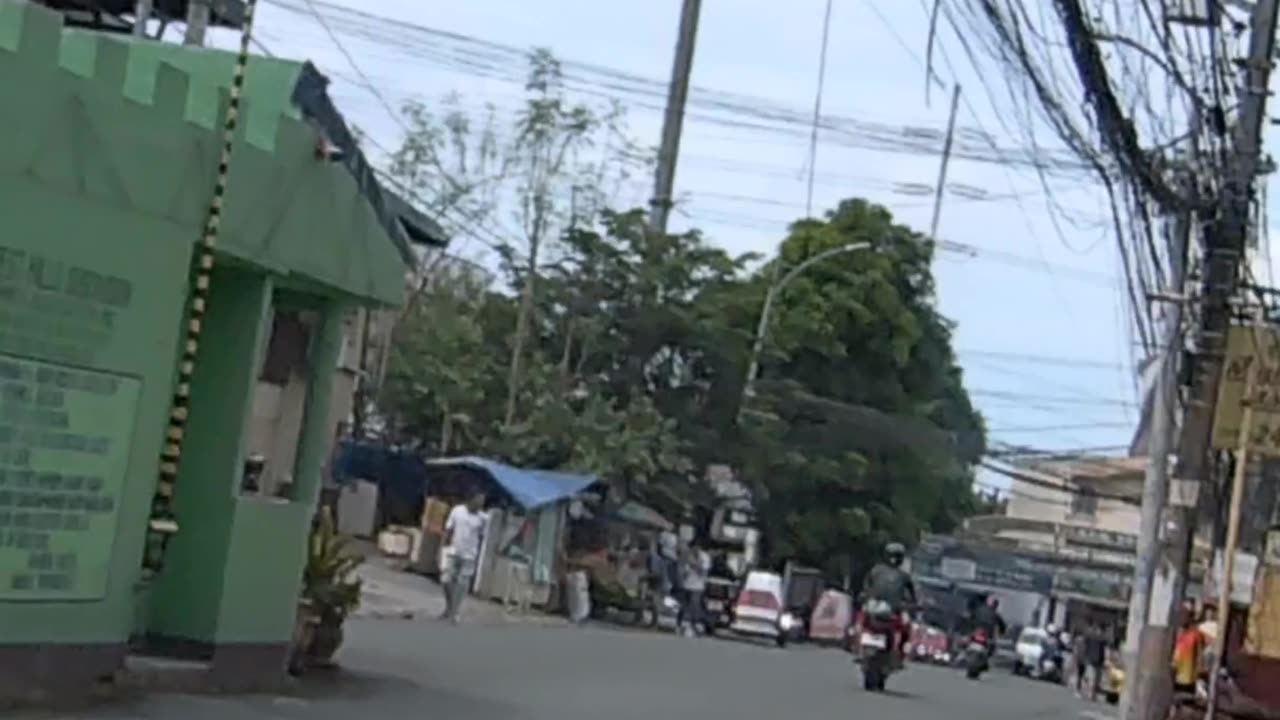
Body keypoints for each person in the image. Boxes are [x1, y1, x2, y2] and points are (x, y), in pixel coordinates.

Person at [863, 542, 918, 656]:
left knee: (905, 626)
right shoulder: (880, 571)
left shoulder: (877, 570)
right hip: (884, 608)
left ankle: (899, 651)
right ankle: (900, 651)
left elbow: (867, 585)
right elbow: (867, 585)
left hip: (888, 608)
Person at [440, 492, 487, 623]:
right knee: (446, 580)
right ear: (470, 500)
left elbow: (482, 537)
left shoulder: (483, 518)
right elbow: (449, 529)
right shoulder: (457, 511)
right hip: (454, 550)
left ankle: (455, 612)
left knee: (462, 583)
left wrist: (478, 557)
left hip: (469, 555)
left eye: (482, 502)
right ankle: (449, 606)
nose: (480, 504)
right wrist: (443, 547)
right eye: (478, 501)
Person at [677, 539, 711, 636]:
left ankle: (694, 625)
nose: (695, 549)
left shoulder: (704, 557)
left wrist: (694, 564)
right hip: (686, 584)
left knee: (694, 605)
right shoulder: (687, 556)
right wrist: (683, 574)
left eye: (697, 548)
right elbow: (681, 570)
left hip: (698, 586)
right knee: (684, 605)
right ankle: (680, 624)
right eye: (693, 548)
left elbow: (703, 572)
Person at [1172, 603, 1206, 696]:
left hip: (1189, 680)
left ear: (1190, 617)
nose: (1181, 618)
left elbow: (1200, 655)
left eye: (1184, 614)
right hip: (1174, 677)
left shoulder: (1196, 634)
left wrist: (1199, 676)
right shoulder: (1176, 633)